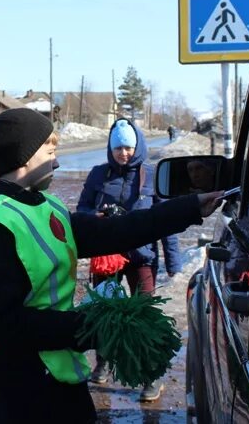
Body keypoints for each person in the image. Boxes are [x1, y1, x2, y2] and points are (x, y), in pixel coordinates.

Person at [0, 108, 223, 423]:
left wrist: (190, 208)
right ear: (25, 157)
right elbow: (3, 322)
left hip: (52, 378)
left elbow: (115, 231)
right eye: (50, 152)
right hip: (9, 392)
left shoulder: (47, 206)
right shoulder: (0, 225)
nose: (56, 162)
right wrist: (93, 327)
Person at [77, 118, 181, 400]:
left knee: (145, 316)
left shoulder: (151, 175)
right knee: (104, 312)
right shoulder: (99, 175)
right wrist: (96, 216)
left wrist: (174, 262)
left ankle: (151, 375)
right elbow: (82, 209)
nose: (123, 152)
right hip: (106, 256)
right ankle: (103, 363)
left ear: (138, 147)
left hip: (141, 256)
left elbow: (165, 220)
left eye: (128, 147)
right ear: (111, 148)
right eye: (118, 147)